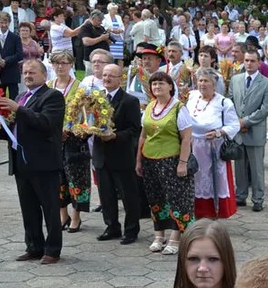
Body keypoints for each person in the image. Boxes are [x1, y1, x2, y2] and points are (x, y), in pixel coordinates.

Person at [0, 59, 64, 263]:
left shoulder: (52, 96)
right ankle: (34, 246)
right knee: (28, 208)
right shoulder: (21, 96)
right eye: (25, 73)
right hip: (21, 162)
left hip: (43, 163)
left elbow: (45, 123)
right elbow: (14, 128)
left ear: (44, 75)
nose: (27, 76)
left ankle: (52, 250)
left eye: (32, 72)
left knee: (50, 208)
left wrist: (18, 109)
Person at [137, 71, 195, 255]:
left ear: (170, 86)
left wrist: (182, 162)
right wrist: (138, 159)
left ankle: (176, 238)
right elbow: (143, 135)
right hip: (150, 160)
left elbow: (187, 138)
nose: (157, 87)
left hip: (171, 160)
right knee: (156, 198)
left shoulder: (179, 108)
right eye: (154, 84)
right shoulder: (149, 106)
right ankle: (158, 235)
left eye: (161, 83)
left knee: (177, 200)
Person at [94, 64, 144, 245]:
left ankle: (131, 230)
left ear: (120, 79)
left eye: (111, 76)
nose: (106, 78)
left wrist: (115, 136)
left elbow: (134, 130)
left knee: (128, 196)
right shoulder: (96, 98)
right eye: (104, 75)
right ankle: (112, 226)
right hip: (101, 155)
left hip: (121, 155)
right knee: (106, 195)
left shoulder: (129, 101)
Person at [187, 68, 240, 219]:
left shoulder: (223, 102)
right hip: (192, 146)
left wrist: (218, 133)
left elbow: (234, 125)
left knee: (211, 180)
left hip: (212, 148)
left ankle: (213, 212)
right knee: (194, 178)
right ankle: (194, 212)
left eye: (206, 81)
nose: (202, 84)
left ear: (215, 85)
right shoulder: (191, 97)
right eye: (200, 80)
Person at [228, 47, 268, 212]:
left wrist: (245, 122)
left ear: (259, 63)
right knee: (239, 167)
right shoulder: (236, 79)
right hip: (238, 132)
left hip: (255, 131)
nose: (249, 63)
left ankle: (258, 199)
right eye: (246, 60)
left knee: (256, 169)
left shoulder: (267, 83)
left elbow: (265, 109)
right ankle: (240, 196)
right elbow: (230, 102)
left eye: (252, 61)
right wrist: (236, 122)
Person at [47, 50, 88, 232]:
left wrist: (73, 129)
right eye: (56, 63)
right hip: (53, 140)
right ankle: (63, 214)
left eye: (64, 63)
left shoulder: (80, 87)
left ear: (71, 65)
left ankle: (76, 216)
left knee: (75, 178)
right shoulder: (49, 85)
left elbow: (88, 116)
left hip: (74, 140)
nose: (60, 67)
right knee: (56, 178)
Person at [0, 11, 22, 99]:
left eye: (6, 22)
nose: (4, 25)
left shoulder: (15, 37)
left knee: (14, 99)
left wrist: (6, 61)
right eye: (1, 23)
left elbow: (19, 55)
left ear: (9, 22)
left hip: (12, 73)